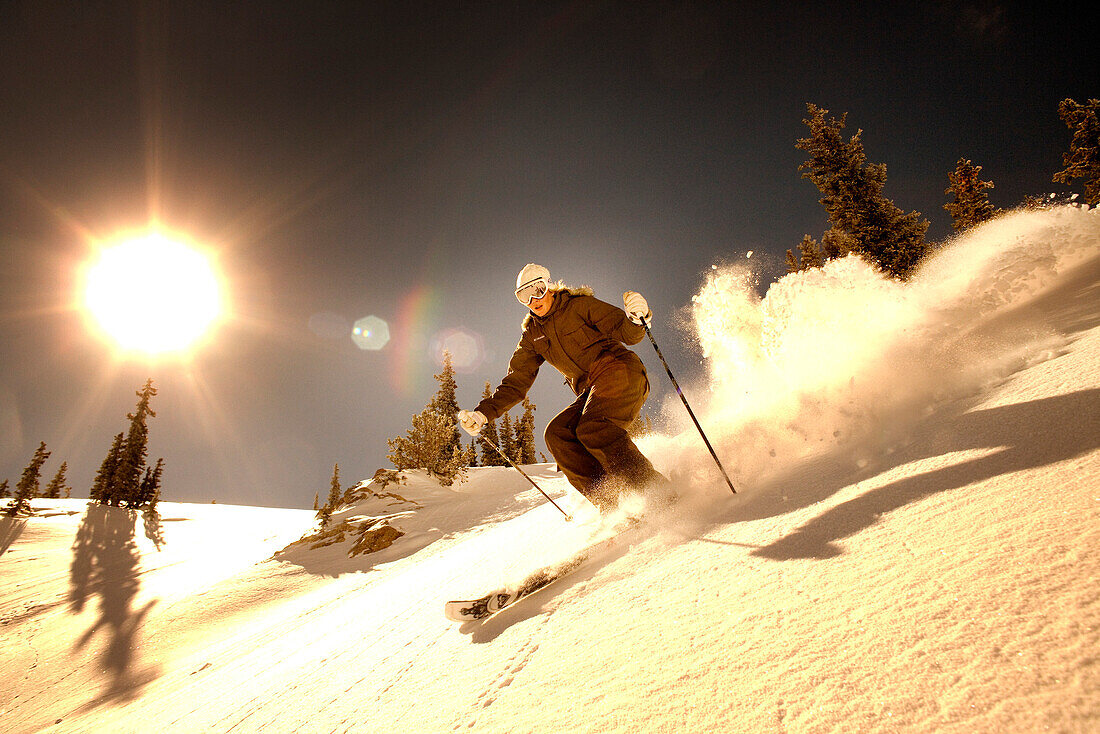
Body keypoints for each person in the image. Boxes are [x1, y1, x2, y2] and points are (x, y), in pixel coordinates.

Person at [458, 263, 667, 513]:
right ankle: (613, 506)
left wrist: (636, 319)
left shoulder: (578, 306)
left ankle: (659, 494)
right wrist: (483, 413)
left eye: (538, 289)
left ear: (550, 286)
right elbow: (516, 382)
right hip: (591, 390)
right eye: (525, 296)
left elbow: (626, 333)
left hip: (619, 370)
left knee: (593, 427)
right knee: (558, 434)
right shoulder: (532, 336)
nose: (534, 299)